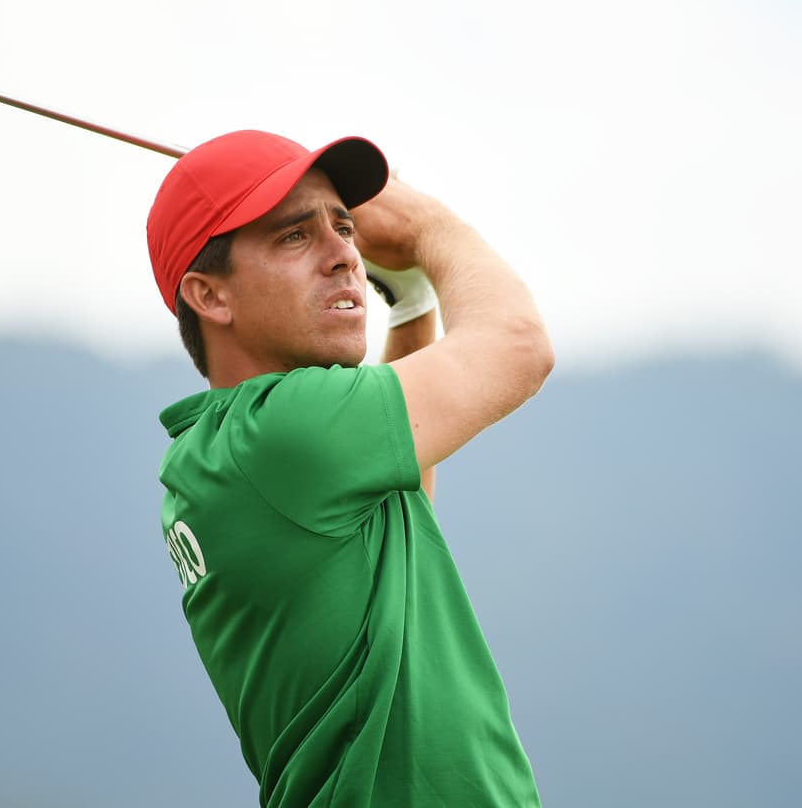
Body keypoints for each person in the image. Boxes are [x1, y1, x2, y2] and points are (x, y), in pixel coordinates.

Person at [147, 130, 553, 807]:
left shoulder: (228, 451)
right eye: (294, 237)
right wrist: (427, 225)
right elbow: (520, 346)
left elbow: (400, 493)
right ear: (210, 296)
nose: (346, 256)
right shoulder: (282, 432)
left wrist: (415, 302)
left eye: (344, 226)